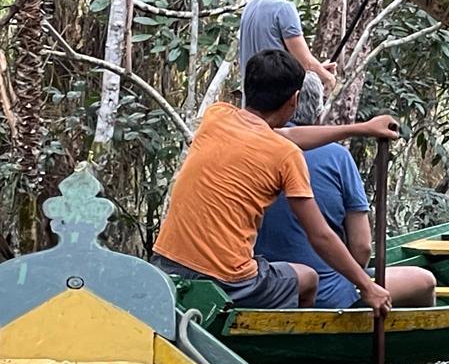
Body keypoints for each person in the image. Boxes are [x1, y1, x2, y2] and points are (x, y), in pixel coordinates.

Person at [152, 49, 397, 315]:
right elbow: (320, 235)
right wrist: (367, 286)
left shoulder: (216, 116)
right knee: (308, 278)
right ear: (294, 100)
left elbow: (286, 133)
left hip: (166, 263)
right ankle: (294, 344)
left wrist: (360, 129)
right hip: (230, 280)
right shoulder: (286, 155)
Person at [255, 73, 436, 309]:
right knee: (426, 281)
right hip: (326, 292)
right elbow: (362, 247)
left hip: (265, 286)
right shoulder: (336, 157)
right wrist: (358, 280)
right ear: (316, 109)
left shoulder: (250, 147)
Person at [239, 0, 336, 91]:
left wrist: (317, 69)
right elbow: (306, 62)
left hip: (252, 101)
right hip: (276, 103)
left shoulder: (250, 6)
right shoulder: (283, 8)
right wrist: (328, 78)